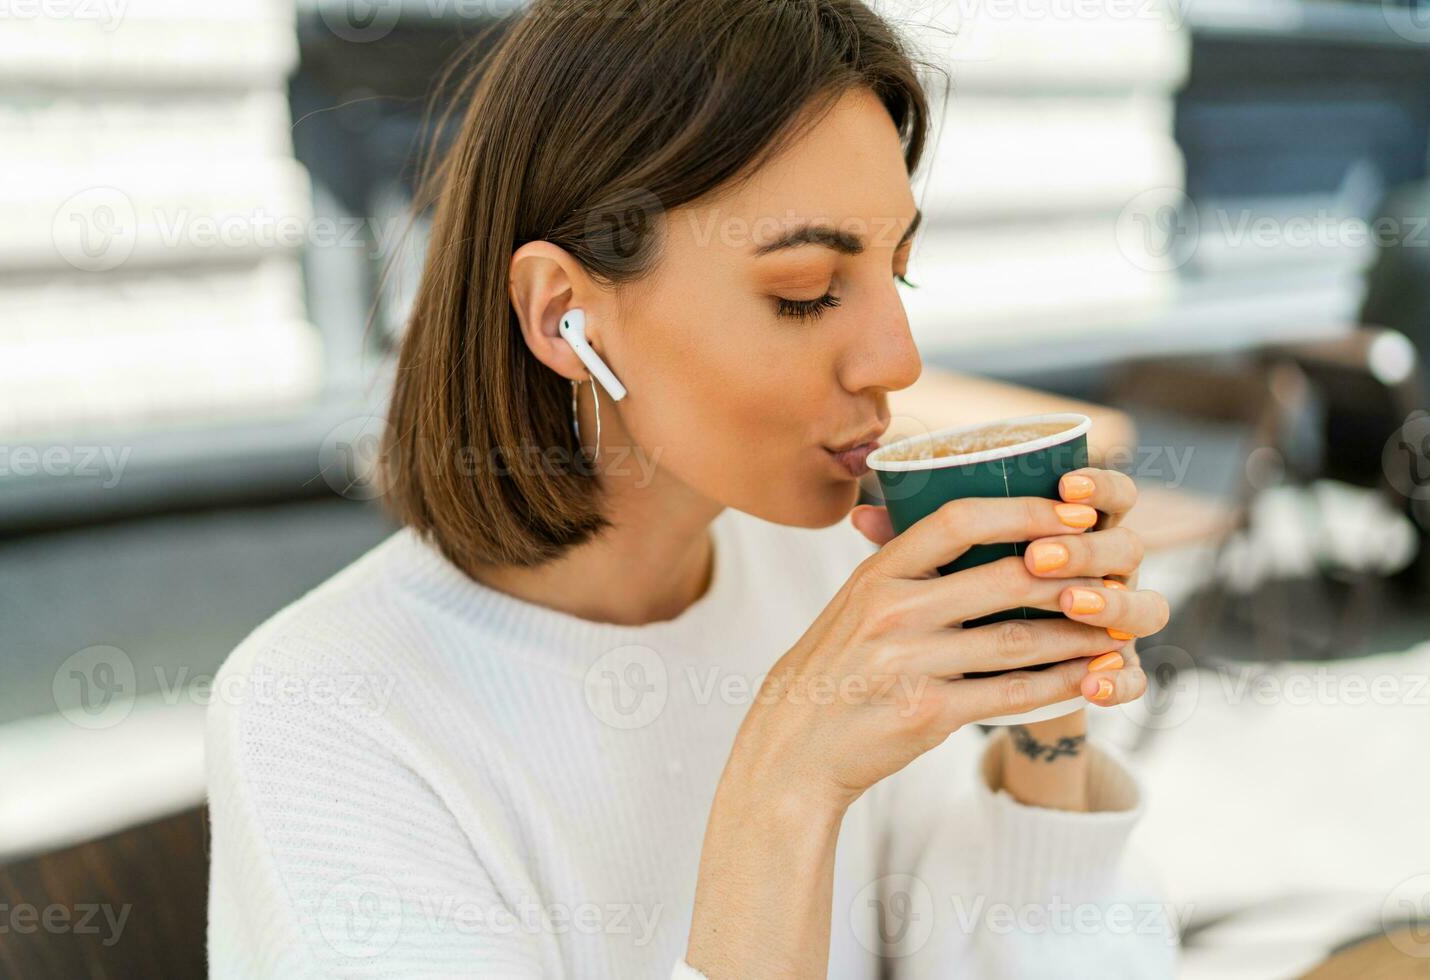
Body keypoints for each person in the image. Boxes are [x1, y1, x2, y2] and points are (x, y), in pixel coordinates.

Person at [205, 0, 1176, 975]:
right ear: (564, 316)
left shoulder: (831, 572)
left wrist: (1045, 700)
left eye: (899, 272)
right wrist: (784, 789)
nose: (898, 358)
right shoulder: (326, 711)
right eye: (804, 290)